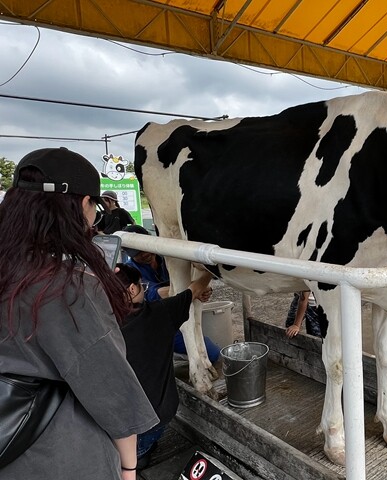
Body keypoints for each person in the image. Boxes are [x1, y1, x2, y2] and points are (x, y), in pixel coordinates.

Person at [0, 147, 158, 480]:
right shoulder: (64, 286)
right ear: (82, 204)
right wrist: (129, 468)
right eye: (95, 206)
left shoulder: (11, 266)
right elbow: (111, 389)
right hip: (54, 455)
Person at [115, 263, 212, 469]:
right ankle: (140, 453)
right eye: (142, 286)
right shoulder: (160, 313)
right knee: (139, 455)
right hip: (152, 421)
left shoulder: (99, 321)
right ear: (132, 289)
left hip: (117, 423)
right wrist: (210, 270)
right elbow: (193, 290)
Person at [122, 225, 221, 363]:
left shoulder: (168, 256)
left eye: (145, 247)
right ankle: (172, 354)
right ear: (127, 253)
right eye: (137, 253)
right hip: (155, 326)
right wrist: (199, 285)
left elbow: (190, 284)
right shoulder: (130, 271)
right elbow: (158, 293)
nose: (144, 254)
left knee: (214, 353)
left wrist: (204, 290)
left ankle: (176, 354)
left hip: (179, 315)